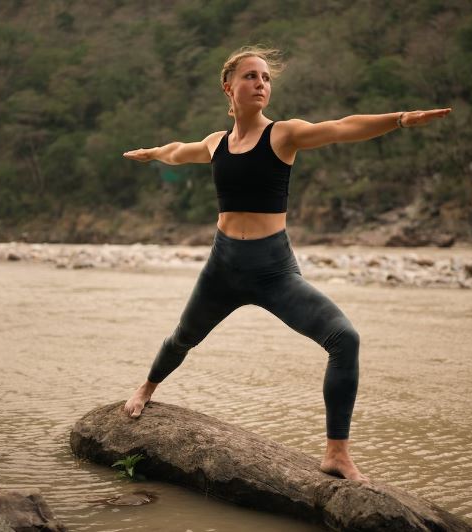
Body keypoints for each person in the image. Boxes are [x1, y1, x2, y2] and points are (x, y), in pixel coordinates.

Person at [122, 45, 451, 483]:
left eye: (266, 78)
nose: (261, 84)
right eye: (251, 76)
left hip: (273, 270)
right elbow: (179, 150)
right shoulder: (216, 143)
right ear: (229, 86)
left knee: (344, 339)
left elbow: (341, 128)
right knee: (183, 337)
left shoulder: (284, 135)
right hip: (222, 268)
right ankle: (146, 388)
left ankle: (337, 452)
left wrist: (400, 119)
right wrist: (153, 152)